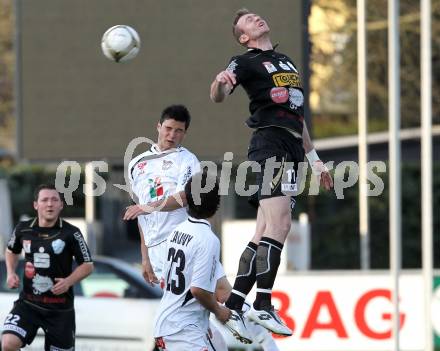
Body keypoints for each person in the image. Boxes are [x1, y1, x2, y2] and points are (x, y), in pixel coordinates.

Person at [210, 9, 333, 336]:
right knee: (280, 223)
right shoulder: (244, 61)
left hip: (292, 148)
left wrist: (315, 160)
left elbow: (297, 116)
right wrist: (220, 85)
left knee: (264, 229)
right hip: (270, 144)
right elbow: (219, 94)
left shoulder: (287, 61)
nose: (257, 18)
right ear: (243, 37)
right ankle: (263, 304)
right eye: (248, 20)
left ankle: (234, 306)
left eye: (257, 15)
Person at [123, 105, 277, 348]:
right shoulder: (137, 164)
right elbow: (139, 213)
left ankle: (266, 339)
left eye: (179, 131)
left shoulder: (187, 160)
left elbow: (186, 196)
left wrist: (148, 207)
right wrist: (145, 257)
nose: (172, 135)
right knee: (188, 306)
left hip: (183, 240)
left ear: (185, 133)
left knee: (222, 292)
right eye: (168, 128)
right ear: (158, 127)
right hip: (157, 250)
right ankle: (210, 341)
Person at [1, 184, 94, 351]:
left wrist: (68, 281)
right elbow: (11, 251)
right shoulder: (23, 228)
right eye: (45, 200)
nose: (50, 204)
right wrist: (10, 272)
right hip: (28, 304)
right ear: (36, 205)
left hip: (60, 310)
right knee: (8, 343)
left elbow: (88, 265)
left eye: (54, 200)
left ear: (61, 205)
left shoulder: (72, 233)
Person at [153, 170, 231, 350]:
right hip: (182, 330)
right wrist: (219, 311)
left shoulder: (177, 231)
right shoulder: (208, 239)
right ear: (216, 204)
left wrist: (203, 323)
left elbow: (169, 281)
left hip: (170, 323)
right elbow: (198, 290)